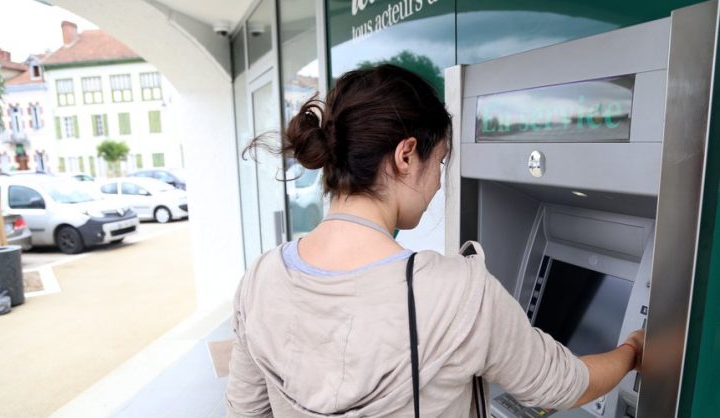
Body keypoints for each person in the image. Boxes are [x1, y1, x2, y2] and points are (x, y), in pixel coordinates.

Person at [227, 64, 644, 417]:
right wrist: (632, 351)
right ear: (406, 155)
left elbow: (247, 410)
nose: (438, 185)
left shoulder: (260, 280)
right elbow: (562, 385)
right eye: (440, 162)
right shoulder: (458, 293)